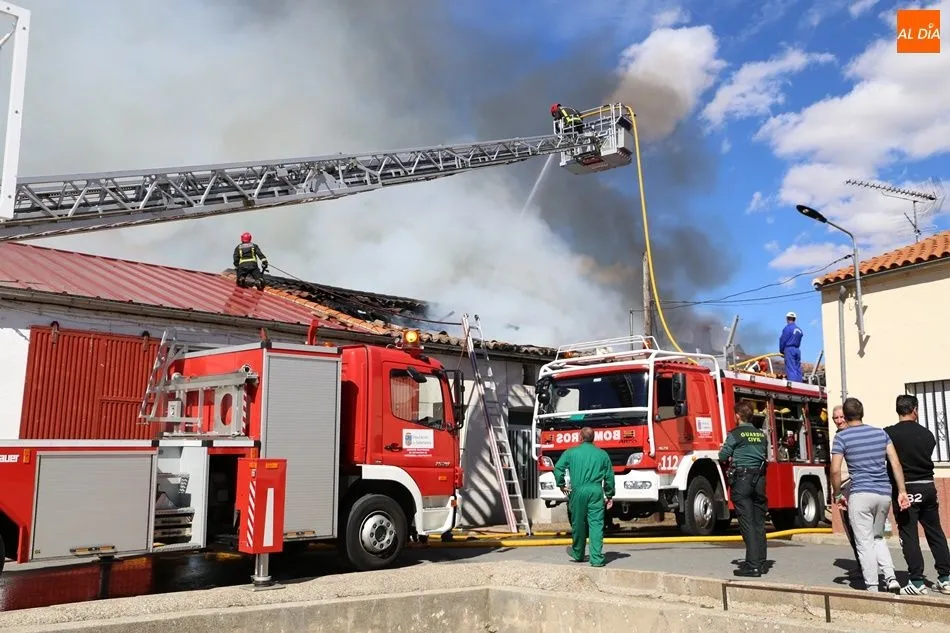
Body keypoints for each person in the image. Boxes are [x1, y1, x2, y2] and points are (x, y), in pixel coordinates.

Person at [831, 397, 910, 592]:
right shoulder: (881, 433)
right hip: (883, 493)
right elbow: (895, 463)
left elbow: (835, 470)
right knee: (878, 537)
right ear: (862, 413)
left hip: (860, 494)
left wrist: (837, 494)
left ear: (845, 417)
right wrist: (902, 491)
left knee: (864, 542)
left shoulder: (842, 438)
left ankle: (872, 586)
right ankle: (891, 578)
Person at [885, 394, 950, 595]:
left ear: (898, 410)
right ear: (914, 409)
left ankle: (917, 582)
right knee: (935, 532)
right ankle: (946, 579)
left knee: (909, 534)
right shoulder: (928, 434)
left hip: (905, 490)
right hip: (928, 487)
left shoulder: (888, 434)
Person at [719, 400, 769, 577]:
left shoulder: (735, 434)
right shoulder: (761, 435)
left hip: (742, 480)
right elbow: (764, 454)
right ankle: (761, 563)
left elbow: (723, 456)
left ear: (737, 416)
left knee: (747, 522)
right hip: (759, 479)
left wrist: (724, 450)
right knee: (759, 522)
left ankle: (752, 566)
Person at [553, 426, 615, 568]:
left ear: (580, 437)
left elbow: (558, 468)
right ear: (593, 438)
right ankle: (596, 559)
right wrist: (609, 494)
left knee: (578, 522)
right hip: (596, 491)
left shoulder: (571, 452)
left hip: (578, 491)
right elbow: (609, 476)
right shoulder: (602, 454)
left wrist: (561, 484)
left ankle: (578, 553)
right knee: (596, 524)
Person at [831, 405, 862, 575]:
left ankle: (865, 566)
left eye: (841, 417)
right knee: (850, 529)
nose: (839, 421)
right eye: (835, 418)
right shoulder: (838, 436)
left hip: (851, 485)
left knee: (856, 528)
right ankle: (861, 564)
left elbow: (836, 469)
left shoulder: (849, 435)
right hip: (843, 486)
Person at [778, 312, 803, 382]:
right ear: (795, 319)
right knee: (797, 367)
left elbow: (783, 340)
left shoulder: (787, 328)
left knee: (791, 368)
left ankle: (793, 384)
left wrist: (781, 351)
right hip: (797, 350)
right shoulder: (799, 330)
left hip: (789, 349)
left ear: (787, 319)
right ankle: (799, 383)